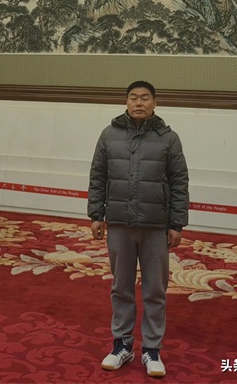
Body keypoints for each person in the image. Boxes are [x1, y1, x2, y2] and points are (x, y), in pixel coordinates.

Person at [88, 81, 189, 378]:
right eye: (133, 98)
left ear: (155, 103)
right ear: (126, 102)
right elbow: (97, 176)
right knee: (121, 287)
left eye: (145, 98)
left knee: (155, 289)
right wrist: (96, 214)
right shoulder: (109, 135)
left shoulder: (168, 138)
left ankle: (152, 349)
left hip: (156, 226)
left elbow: (179, 182)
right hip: (119, 223)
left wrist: (176, 223)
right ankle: (122, 345)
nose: (139, 103)